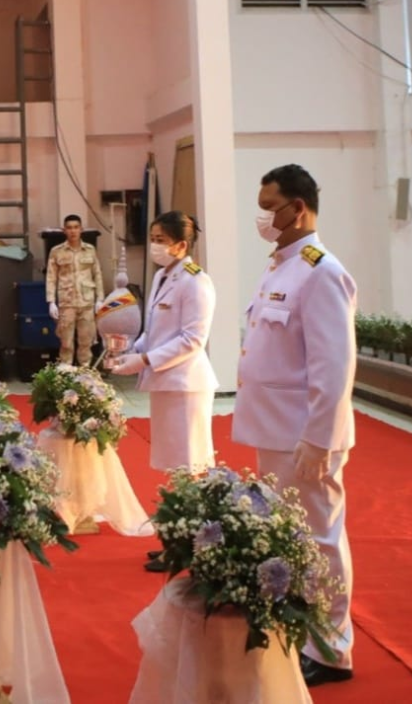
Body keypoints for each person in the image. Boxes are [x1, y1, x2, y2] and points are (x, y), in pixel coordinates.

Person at [233, 164, 356, 687]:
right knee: (291, 541)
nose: (263, 217)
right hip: (275, 432)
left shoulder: (321, 270)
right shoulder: (281, 267)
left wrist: (320, 439)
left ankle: (331, 651)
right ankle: (298, 632)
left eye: (269, 207)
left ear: (297, 209)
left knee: (321, 541)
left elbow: (334, 366)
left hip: (304, 437)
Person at [110, 212, 217, 572]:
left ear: (181, 245)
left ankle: (191, 548)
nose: (154, 244)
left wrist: (144, 361)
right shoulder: (161, 275)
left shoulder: (196, 282)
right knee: (175, 467)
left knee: (189, 467)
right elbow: (155, 328)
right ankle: (176, 540)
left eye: (160, 238)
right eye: (153, 236)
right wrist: (133, 350)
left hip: (186, 384)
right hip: (166, 383)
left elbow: (192, 339)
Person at [46, 215, 104, 364]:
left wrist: (100, 298)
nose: (73, 231)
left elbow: (97, 274)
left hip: (87, 303)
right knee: (66, 344)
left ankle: (85, 377)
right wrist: (51, 301)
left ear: (81, 229)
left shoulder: (90, 250)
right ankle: (66, 375)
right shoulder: (57, 251)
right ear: (64, 230)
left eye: (76, 227)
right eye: (69, 228)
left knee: (86, 343)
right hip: (67, 303)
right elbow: (51, 278)